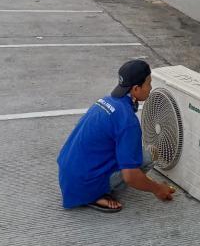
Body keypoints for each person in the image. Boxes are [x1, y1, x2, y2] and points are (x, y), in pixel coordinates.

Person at [57, 59, 175, 212]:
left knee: (130, 153)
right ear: (136, 89)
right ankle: (94, 195)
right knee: (149, 155)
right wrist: (157, 188)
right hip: (83, 184)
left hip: (67, 175)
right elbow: (130, 176)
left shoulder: (105, 101)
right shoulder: (128, 121)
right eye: (149, 83)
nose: (151, 88)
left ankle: (90, 188)